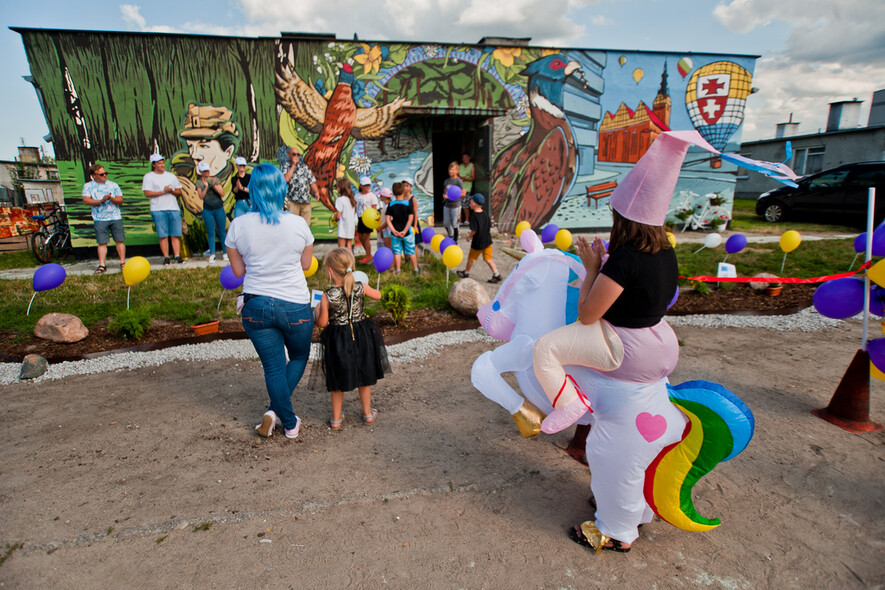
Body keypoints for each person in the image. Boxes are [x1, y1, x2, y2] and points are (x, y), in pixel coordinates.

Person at [532, 131, 689, 553]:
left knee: (545, 349)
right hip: (658, 344)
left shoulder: (625, 258)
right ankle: (633, 507)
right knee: (609, 421)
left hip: (624, 347)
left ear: (625, 218)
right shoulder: (666, 252)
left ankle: (616, 531)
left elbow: (588, 314)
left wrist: (591, 269)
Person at [224, 164, 315, 440]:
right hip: (294, 305)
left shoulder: (238, 225)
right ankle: (283, 417)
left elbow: (239, 272)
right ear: (281, 189)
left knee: (273, 367)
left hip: (256, 305)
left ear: (252, 190)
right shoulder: (298, 224)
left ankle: (283, 420)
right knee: (298, 356)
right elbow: (307, 263)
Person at [315, 247, 389, 430]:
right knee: (365, 375)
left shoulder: (327, 296)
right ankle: (367, 414)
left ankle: (336, 419)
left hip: (338, 339)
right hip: (361, 335)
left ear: (330, 272)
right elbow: (378, 295)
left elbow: (322, 323)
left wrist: (317, 311)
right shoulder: (360, 287)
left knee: (337, 377)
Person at [172, 103, 241, 219]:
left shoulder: (248, 178)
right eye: (190, 146)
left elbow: (238, 232)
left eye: (203, 146)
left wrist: (200, 209)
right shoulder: (183, 176)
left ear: (228, 151)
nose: (194, 155)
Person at [82, 163, 125, 273]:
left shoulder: (113, 185)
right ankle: (102, 265)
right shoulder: (88, 186)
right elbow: (86, 201)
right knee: (102, 242)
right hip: (99, 218)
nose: (104, 175)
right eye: (101, 174)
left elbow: (120, 201)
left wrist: (111, 198)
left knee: (119, 240)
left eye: (105, 173)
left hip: (115, 216)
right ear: (94, 175)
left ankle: (122, 262)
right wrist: (102, 200)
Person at [142, 154, 184, 265]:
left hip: (173, 207)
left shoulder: (171, 176)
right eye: (159, 163)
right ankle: (166, 257)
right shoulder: (148, 177)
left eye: (162, 163)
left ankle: (177, 256)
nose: (161, 165)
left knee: (175, 234)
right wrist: (163, 192)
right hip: (158, 209)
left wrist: (171, 191)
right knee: (163, 234)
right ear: (153, 164)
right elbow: (147, 193)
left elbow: (179, 192)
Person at [456, 194, 501, 283]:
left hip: (477, 243)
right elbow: (489, 226)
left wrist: (469, 237)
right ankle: (496, 274)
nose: (470, 203)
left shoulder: (474, 216)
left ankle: (466, 272)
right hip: (487, 241)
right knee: (488, 259)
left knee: (471, 258)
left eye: (471, 201)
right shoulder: (485, 214)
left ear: (474, 204)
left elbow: (474, 230)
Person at [195, 162, 228, 262]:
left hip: (219, 208)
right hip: (207, 210)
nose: (207, 172)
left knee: (222, 231)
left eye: (207, 170)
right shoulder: (199, 182)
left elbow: (222, 193)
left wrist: (214, 185)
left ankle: (225, 253)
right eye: (204, 171)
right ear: (200, 172)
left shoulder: (215, 179)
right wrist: (206, 187)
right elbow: (201, 196)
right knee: (211, 232)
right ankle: (212, 253)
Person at [280, 146, 321, 226]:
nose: (296, 156)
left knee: (305, 226)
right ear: (289, 155)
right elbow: (285, 179)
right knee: (293, 226)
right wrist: (293, 166)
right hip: (293, 202)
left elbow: (312, 181)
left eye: (298, 154)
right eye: (294, 154)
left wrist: (316, 192)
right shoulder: (285, 166)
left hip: (305, 202)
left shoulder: (304, 167)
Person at [386, 182, 420, 274]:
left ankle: (398, 270)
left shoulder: (391, 204)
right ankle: (416, 269)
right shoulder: (408, 204)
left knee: (396, 252)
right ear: (403, 191)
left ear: (393, 193)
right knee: (411, 251)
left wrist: (394, 230)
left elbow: (388, 220)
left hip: (395, 233)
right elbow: (411, 218)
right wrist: (405, 230)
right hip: (408, 232)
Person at [354, 176, 379, 263]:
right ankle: (368, 254)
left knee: (366, 237)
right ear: (361, 186)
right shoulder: (357, 196)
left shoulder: (372, 196)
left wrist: (373, 220)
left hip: (368, 219)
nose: (367, 187)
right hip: (360, 218)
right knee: (361, 237)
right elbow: (355, 207)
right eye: (365, 185)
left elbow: (374, 208)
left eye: (368, 185)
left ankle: (368, 256)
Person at [442, 161, 465, 242]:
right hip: (447, 205)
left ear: (457, 171)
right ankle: (450, 235)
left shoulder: (458, 181)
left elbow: (463, 193)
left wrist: (455, 195)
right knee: (446, 223)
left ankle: (456, 239)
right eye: (450, 169)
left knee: (454, 223)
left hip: (456, 205)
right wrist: (445, 196)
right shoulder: (446, 181)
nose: (450, 171)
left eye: (452, 169)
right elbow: (444, 193)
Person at [334, 178, 357, 250]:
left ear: (341, 188)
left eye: (337, 187)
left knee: (341, 247)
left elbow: (338, 216)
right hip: (350, 226)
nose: (336, 188)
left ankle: (342, 261)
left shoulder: (340, 200)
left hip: (343, 227)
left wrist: (334, 218)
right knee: (349, 245)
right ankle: (351, 260)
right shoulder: (351, 200)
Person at [459, 152, 475, 225]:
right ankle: (459, 220)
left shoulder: (472, 166)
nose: (464, 159)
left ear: (469, 158)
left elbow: (472, 178)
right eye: (463, 158)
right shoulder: (460, 166)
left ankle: (467, 220)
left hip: (467, 188)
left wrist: (464, 178)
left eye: (466, 157)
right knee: (459, 205)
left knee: (465, 205)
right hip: (459, 188)